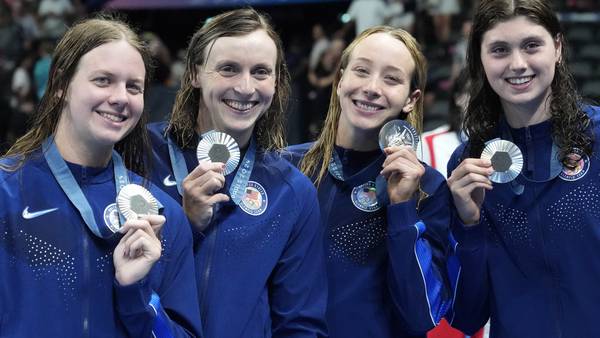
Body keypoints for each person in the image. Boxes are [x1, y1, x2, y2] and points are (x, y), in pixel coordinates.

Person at [0, 16, 202, 337]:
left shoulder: (162, 215)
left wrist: (135, 293)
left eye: (133, 86)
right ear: (60, 87)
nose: (121, 97)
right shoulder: (6, 191)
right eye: (103, 80)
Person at [146, 8, 327, 338]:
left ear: (276, 82)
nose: (245, 88)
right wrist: (183, 223)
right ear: (194, 74)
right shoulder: (142, 155)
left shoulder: (292, 192)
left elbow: (299, 324)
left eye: (260, 72)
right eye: (228, 69)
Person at [446, 1, 600, 337]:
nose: (518, 64)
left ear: (557, 48)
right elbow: (468, 316)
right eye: (499, 50)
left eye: (532, 45)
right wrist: (468, 226)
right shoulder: (469, 166)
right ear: (480, 60)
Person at [287, 26, 452, 338]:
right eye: (361, 71)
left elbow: (423, 315)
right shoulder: (287, 170)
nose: (372, 87)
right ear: (339, 80)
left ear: (411, 99)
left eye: (391, 79)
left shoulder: (427, 187)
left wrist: (402, 209)